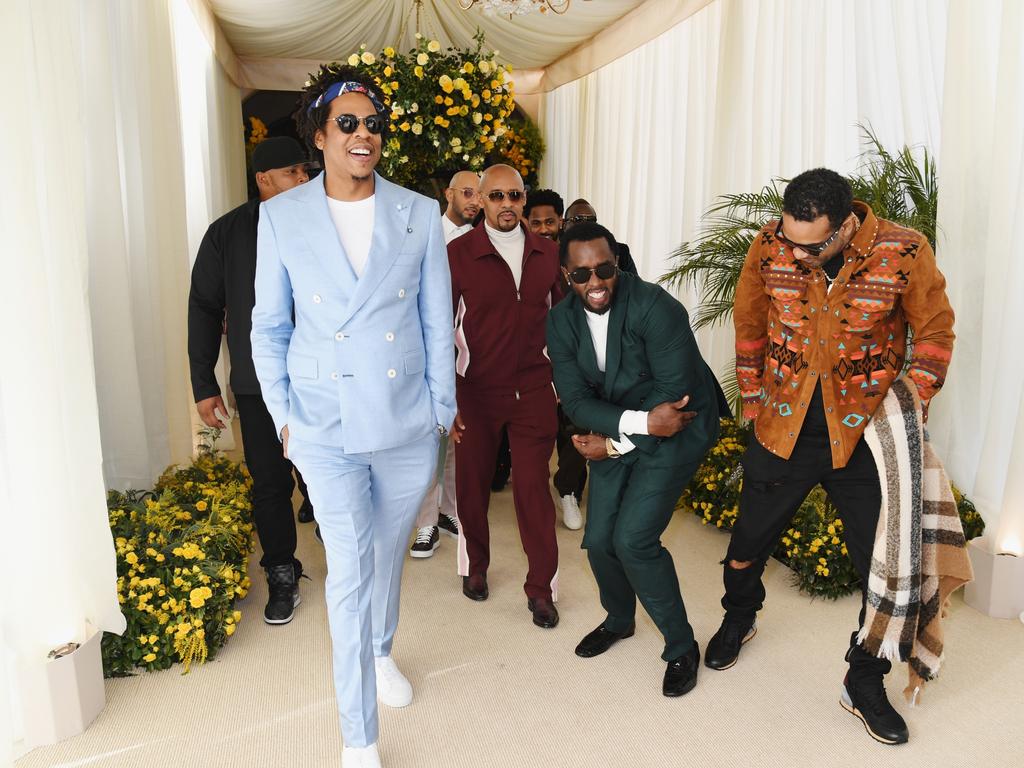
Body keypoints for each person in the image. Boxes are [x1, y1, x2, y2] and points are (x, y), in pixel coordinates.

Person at [250, 66, 456, 768]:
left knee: (387, 555)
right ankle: (357, 737)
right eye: (348, 124)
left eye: (373, 125)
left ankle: (378, 649)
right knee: (348, 569)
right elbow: (268, 328)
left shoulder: (418, 212)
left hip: (404, 423)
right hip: (323, 422)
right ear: (320, 134)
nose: (363, 135)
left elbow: (435, 319)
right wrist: (283, 419)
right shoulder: (282, 216)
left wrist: (439, 413)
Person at [707, 168, 954, 745]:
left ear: (846, 224)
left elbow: (936, 332)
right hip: (782, 430)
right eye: (793, 241)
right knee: (746, 547)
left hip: (866, 440)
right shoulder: (770, 244)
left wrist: (907, 406)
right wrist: (750, 397)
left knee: (883, 569)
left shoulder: (905, 250)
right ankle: (739, 618)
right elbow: (749, 322)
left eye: (814, 243)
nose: (801, 253)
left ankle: (863, 677)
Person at [547, 222, 720, 696]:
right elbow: (576, 402)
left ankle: (682, 645)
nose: (596, 282)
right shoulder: (560, 320)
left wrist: (617, 439)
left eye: (604, 268)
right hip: (630, 426)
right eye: (582, 274)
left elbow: (674, 398)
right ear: (566, 275)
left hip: (680, 429)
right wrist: (629, 431)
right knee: (600, 540)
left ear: (616, 262)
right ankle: (620, 619)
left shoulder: (656, 308)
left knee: (634, 540)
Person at [188, 136, 316, 626]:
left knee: (326, 471)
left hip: (320, 378)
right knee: (269, 483)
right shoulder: (227, 234)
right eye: (293, 173)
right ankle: (281, 568)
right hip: (257, 383)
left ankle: (346, 554)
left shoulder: (324, 222)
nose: (305, 180)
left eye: (307, 172)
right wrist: (204, 382)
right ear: (264, 180)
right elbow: (203, 307)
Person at [448, 163, 563, 628]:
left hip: (534, 389)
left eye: (515, 197)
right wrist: (447, 396)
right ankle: (475, 565)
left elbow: (566, 321)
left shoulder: (548, 253)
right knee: (472, 488)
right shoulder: (458, 254)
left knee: (534, 490)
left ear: (524, 199)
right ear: (481, 202)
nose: (506, 206)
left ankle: (542, 588)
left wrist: (563, 384)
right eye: (496, 197)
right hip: (475, 391)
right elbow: (438, 326)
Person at [409, 170, 479, 558]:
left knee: (458, 438)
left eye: (479, 194)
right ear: (449, 193)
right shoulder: (424, 231)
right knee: (429, 438)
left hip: (466, 356)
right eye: (467, 192)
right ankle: (424, 524)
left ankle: (448, 511)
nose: (474, 200)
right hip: (426, 351)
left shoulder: (482, 241)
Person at [563, 198, 638, 275]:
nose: (585, 225)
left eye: (591, 220)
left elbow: (635, 285)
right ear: (564, 226)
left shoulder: (621, 252)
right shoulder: (556, 254)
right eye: (578, 219)